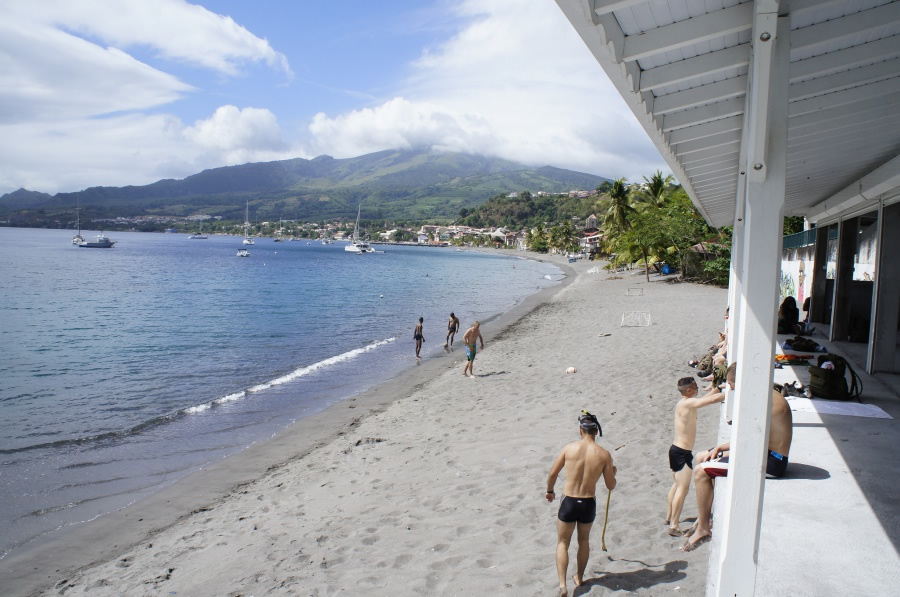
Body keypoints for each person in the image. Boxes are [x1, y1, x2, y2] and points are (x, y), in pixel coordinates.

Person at [680, 364, 793, 552]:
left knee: (701, 471)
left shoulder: (762, 402)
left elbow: (750, 442)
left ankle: (703, 529)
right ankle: (703, 517)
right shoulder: (767, 394)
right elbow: (752, 439)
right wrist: (719, 448)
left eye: (733, 385)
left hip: (772, 462)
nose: (732, 390)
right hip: (764, 452)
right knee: (702, 456)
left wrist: (722, 450)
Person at [546, 411, 617, 597]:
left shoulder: (569, 448)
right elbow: (610, 485)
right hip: (587, 503)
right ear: (596, 432)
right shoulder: (604, 454)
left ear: (580, 430)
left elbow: (552, 474)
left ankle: (563, 585)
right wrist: (613, 472)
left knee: (562, 542)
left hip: (569, 500)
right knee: (583, 541)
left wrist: (550, 491)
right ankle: (579, 576)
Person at [666, 377, 725, 537]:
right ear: (689, 391)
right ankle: (674, 525)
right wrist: (730, 392)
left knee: (677, 485)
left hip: (677, 450)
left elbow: (704, 399)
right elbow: (710, 401)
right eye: (696, 387)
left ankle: (669, 516)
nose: (698, 388)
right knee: (683, 488)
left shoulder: (685, 403)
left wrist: (718, 389)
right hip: (681, 452)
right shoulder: (687, 403)